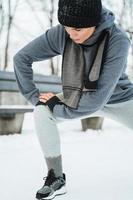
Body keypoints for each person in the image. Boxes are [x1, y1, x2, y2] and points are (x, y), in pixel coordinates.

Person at [13, 0, 133, 199]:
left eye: (77, 29)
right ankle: (56, 178)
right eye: (67, 27)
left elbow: (97, 99)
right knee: (42, 111)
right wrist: (35, 98)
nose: (71, 34)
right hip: (78, 95)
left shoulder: (117, 40)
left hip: (119, 99)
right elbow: (21, 59)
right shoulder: (62, 33)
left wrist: (58, 108)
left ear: (94, 23)